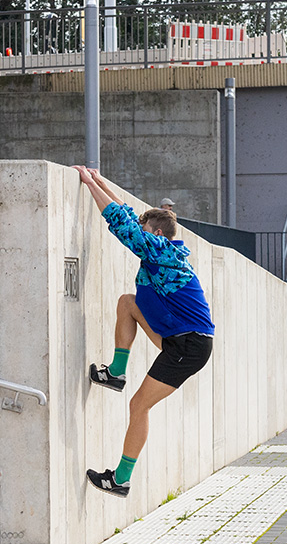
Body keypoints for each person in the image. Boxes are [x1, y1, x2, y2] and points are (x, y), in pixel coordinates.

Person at [74, 165, 214, 496]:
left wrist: (89, 182)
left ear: (160, 234)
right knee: (128, 303)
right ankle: (116, 373)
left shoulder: (163, 252)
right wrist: (99, 180)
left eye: (147, 229)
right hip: (174, 337)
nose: (142, 232)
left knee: (139, 406)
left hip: (189, 347)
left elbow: (121, 225)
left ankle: (120, 479)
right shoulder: (160, 252)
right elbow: (126, 214)